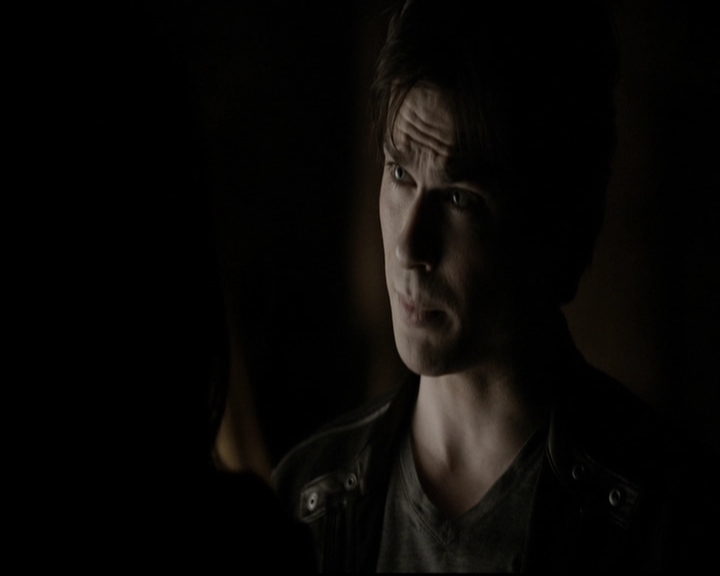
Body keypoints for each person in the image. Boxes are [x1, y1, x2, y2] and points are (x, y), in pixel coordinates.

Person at [272, 1, 715, 572]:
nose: (409, 247)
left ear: (556, 226)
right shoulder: (301, 503)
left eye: (460, 199)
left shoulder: (670, 520)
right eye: (400, 173)